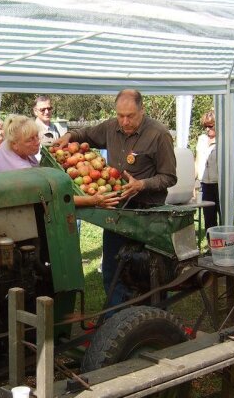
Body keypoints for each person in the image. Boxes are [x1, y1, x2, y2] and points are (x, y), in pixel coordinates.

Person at [54, 89, 177, 307]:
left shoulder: (159, 134)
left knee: (148, 270)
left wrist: (142, 184)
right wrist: (69, 136)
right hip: (117, 210)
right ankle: (116, 317)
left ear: (142, 110)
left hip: (147, 214)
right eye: (120, 115)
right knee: (113, 268)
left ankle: (154, 319)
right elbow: (86, 134)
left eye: (130, 116)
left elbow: (169, 177)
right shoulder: (111, 127)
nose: (124, 121)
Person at [0, 114, 117, 209]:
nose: (37, 142)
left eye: (36, 136)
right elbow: (51, 197)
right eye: (30, 140)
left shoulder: (13, 143)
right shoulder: (21, 169)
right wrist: (91, 201)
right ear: (15, 144)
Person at [195, 109, 220, 233]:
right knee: (209, 218)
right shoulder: (201, 139)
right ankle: (211, 245)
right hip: (205, 184)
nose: (207, 129)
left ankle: (225, 245)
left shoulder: (223, 140)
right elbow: (197, 161)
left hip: (220, 184)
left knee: (223, 216)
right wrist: (193, 183)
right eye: (205, 126)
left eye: (210, 126)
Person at [33, 96, 60, 160]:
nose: (47, 112)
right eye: (42, 109)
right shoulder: (33, 130)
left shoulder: (54, 127)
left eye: (49, 108)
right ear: (35, 111)